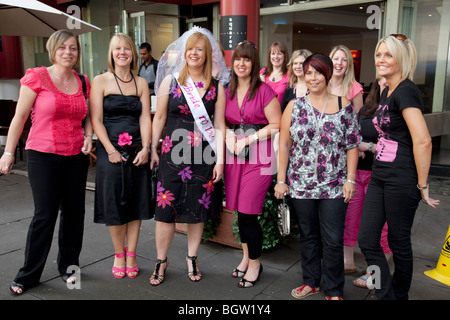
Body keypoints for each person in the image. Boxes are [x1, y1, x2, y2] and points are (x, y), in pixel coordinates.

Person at [2, 30, 93, 295]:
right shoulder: (36, 76)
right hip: (43, 154)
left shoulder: (83, 81)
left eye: (73, 48)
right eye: (63, 47)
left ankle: (69, 267)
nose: (69, 52)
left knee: (75, 214)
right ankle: (28, 275)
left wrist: (88, 135)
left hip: (75, 154)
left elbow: (86, 114)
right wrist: (8, 152)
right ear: (53, 50)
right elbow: (19, 118)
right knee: (44, 215)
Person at [358, 34, 439, 300]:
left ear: (400, 59)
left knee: (399, 243)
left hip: (402, 180)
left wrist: (423, 185)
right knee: (368, 240)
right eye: (379, 54)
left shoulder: (405, 91)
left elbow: (423, 140)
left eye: (388, 55)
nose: (381, 59)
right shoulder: (387, 89)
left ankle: (397, 295)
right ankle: (385, 293)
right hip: (381, 175)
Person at [275, 53, 360, 300]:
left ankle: (334, 290)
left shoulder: (344, 105)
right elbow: (284, 145)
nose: (312, 77)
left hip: (334, 185)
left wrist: (350, 179)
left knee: (333, 239)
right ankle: (311, 281)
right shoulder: (294, 105)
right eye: (308, 72)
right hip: (300, 185)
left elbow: (352, 145)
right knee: (309, 235)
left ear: (328, 74)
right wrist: (281, 180)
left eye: (318, 72)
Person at [149, 26, 229, 286]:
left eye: (200, 49)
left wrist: (220, 160)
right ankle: (161, 260)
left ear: (207, 54)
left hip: (204, 157)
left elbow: (218, 126)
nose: (194, 53)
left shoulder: (217, 87)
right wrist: (152, 148)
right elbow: (159, 117)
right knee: (165, 210)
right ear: (183, 52)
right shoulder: (170, 81)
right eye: (190, 49)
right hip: (171, 156)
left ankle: (192, 257)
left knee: (198, 209)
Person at [90, 33, 153, 279]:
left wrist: (147, 148)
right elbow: (95, 120)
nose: (122, 52)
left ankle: (132, 253)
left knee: (136, 203)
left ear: (133, 53)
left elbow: (145, 117)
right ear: (111, 53)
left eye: (127, 48)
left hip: (137, 151)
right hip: (110, 152)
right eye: (118, 48)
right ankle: (119, 253)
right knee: (114, 203)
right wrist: (110, 149)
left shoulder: (141, 83)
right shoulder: (101, 81)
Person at [224, 40, 281, 288]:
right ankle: (246, 258)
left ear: (254, 63)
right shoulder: (227, 90)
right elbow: (221, 122)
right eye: (238, 58)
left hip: (259, 156)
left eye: (247, 59)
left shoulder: (265, 91)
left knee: (248, 214)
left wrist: (249, 138)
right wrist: (228, 136)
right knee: (239, 213)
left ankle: (256, 264)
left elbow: (277, 124)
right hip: (234, 156)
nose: (241, 63)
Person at [342, 77, 392, 286]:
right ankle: (347, 262)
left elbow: (392, 143)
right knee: (350, 220)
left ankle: (376, 274)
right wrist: (361, 145)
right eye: (381, 78)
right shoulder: (366, 108)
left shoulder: (396, 109)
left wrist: (368, 147)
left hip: (380, 175)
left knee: (379, 228)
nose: (384, 81)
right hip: (358, 172)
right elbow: (353, 136)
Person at [329, 45, 364, 112]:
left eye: (344, 60)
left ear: (349, 64)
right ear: (330, 62)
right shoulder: (322, 85)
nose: (339, 63)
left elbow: (359, 119)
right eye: (336, 59)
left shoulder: (354, 88)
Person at [260, 42, 290, 106]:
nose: (276, 57)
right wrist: (261, 84)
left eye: (279, 54)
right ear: (269, 56)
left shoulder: (289, 75)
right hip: (263, 113)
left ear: (284, 56)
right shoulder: (262, 72)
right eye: (273, 54)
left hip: (281, 114)